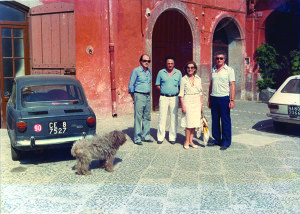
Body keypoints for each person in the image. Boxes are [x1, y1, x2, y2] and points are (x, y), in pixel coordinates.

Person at [207, 51, 235, 150]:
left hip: (224, 98)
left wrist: (232, 100)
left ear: (225, 59)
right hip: (214, 98)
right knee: (215, 120)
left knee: (225, 120)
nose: (219, 60)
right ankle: (217, 139)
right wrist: (209, 99)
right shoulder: (213, 69)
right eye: (217, 58)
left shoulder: (229, 70)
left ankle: (226, 141)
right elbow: (211, 85)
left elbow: (232, 85)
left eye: (221, 58)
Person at [156, 56, 182, 144]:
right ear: (166, 64)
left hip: (174, 97)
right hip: (163, 97)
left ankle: (172, 137)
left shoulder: (178, 73)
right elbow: (157, 85)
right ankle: (160, 137)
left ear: (174, 64)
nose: (170, 65)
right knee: (162, 117)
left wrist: (173, 92)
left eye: (171, 63)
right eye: (168, 63)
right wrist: (165, 90)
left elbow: (180, 86)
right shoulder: (161, 72)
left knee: (174, 117)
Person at [128, 54, 153, 145]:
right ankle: (137, 138)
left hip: (147, 96)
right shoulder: (136, 71)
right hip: (139, 95)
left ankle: (146, 136)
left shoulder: (149, 72)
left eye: (148, 61)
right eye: (145, 61)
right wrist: (134, 96)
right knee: (138, 117)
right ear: (140, 61)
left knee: (147, 116)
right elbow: (131, 85)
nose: (147, 63)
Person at [179, 61, 203, 149]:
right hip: (188, 101)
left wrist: (201, 104)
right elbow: (181, 93)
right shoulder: (183, 79)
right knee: (188, 123)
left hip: (196, 101)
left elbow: (200, 92)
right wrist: (183, 105)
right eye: (188, 68)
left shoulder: (198, 79)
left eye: (192, 68)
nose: (190, 69)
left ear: (195, 69)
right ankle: (186, 141)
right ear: (186, 69)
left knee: (194, 123)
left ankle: (191, 141)